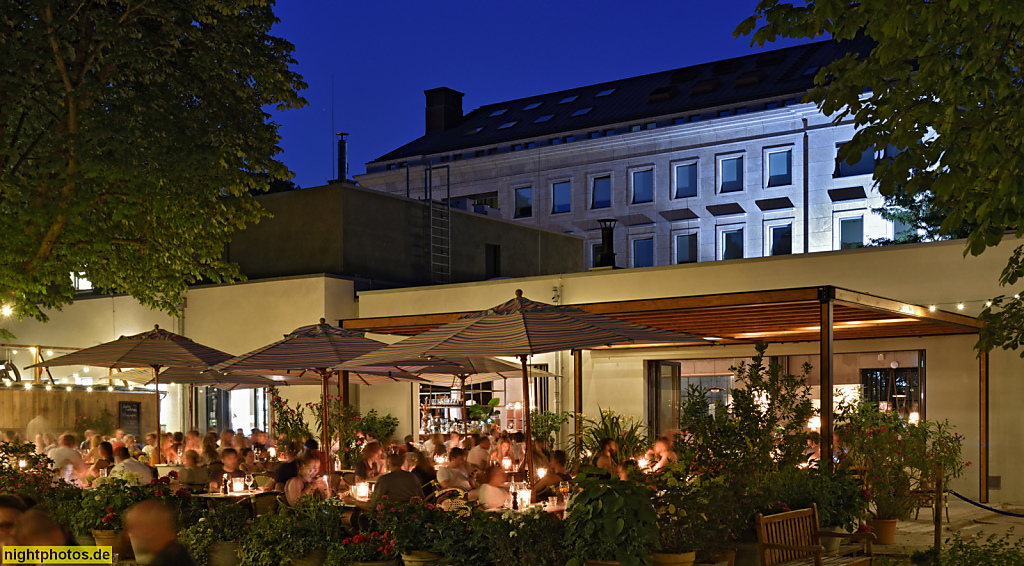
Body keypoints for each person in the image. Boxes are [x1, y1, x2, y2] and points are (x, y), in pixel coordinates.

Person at [124, 500, 195, 566]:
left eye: (134, 527)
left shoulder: (168, 560)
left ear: (152, 528)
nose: (130, 534)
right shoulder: (174, 554)